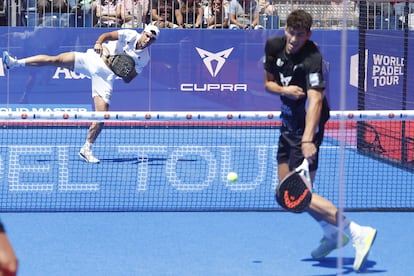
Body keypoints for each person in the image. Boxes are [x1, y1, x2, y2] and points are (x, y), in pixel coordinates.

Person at [263, 10, 377, 271]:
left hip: (307, 128)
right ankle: (333, 234)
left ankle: (358, 232)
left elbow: (315, 101)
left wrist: (307, 140)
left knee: (299, 193)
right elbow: (268, 83)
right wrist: (284, 90)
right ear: (285, 30)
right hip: (287, 123)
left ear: (308, 35)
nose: (293, 39)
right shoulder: (273, 46)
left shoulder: (312, 58)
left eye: (300, 35)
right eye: (291, 32)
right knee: (285, 193)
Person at [2, 25, 160, 163]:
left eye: (152, 39)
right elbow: (106, 36)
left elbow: (129, 79)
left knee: (102, 117)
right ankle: (15, 63)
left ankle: (86, 148)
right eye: (147, 35)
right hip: (93, 58)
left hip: (105, 77)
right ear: (143, 32)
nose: (148, 40)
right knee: (55, 59)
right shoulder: (130, 34)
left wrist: (122, 70)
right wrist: (99, 43)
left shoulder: (144, 58)